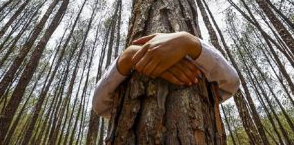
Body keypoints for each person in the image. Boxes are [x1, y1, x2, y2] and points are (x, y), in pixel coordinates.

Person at [92, 31, 240, 119]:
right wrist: (127, 57)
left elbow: (231, 83)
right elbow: (99, 105)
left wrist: (189, 42)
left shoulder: (200, 59)